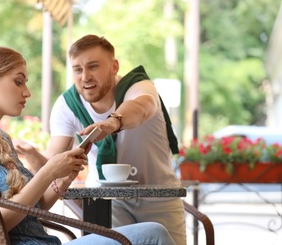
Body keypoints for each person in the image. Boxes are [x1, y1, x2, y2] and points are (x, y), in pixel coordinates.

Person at [0, 45, 176, 245]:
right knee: (153, 234)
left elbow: (36, 207)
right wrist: (48, 171)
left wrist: (64, 178)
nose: (27, 92)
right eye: (18, 82)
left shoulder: (0, 139)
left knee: (152, 232)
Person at [40, 34, 187, 245]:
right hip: (106, 200)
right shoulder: (67, 105)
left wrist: (111, 123)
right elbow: (53, 163)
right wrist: (28, 157)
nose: (85, 76)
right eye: (78, 69)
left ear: (114, 66)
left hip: (159, 196)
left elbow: (141, 108)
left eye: (93, 66)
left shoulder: (139, 86)